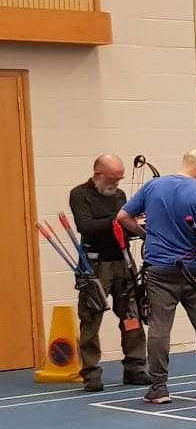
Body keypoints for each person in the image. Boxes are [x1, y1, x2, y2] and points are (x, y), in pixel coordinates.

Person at [118, 151, 196, 404]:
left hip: (159, 270)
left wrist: (146, 234)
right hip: (195, 270)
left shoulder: (153, 186)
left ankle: (159, 387)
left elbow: (123, 217)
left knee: (159, 328)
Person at [67, 154, 146, 392]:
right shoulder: (79, 194)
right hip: (96, 266)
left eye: (120, 180)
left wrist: (137, 227)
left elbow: (122, 225)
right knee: (91, 319)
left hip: (122, 261)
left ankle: (135, 367)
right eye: (113, 179)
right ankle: (91, 373)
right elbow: (86, 226)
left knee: (132, 316)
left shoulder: (119, 195)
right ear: (98, 174)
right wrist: (117, 221)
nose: (117, 185)